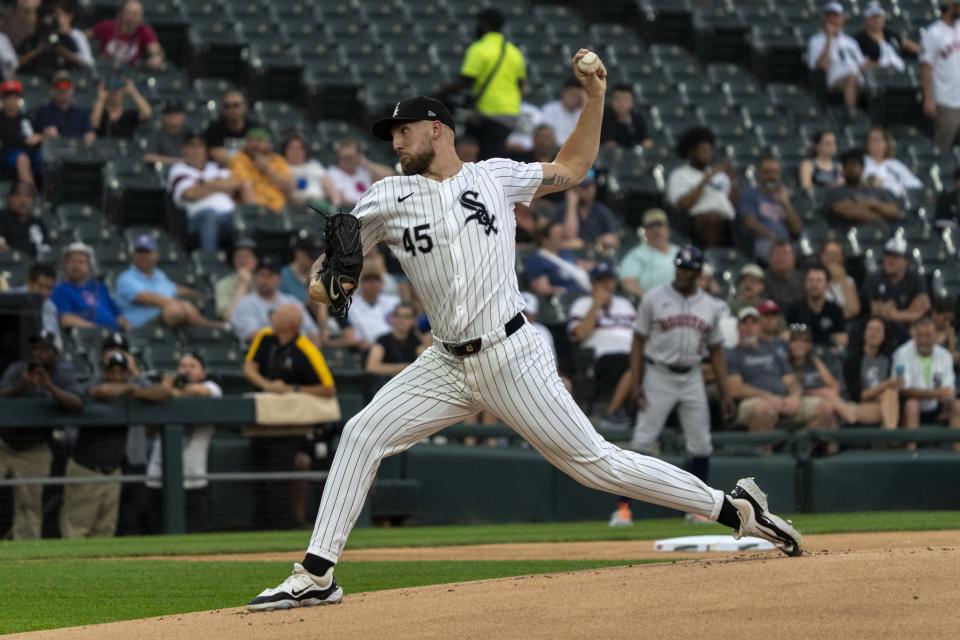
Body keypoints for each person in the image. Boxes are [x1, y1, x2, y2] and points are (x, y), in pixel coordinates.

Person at [248, 55, 803, 612]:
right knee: (362, 434)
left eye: (404, 129)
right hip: (443, 363)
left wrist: (594, 97)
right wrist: (324, 285)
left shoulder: (496, 176)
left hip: (510, 353)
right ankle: (317, 574)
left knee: (596, 464)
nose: (396, 140)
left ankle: (734, 510)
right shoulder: (385, 197)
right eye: (392, 132)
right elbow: (327, 276)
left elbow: (575, 166)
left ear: (437, 128)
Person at [611, 246, 733, 527]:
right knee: (642, 442)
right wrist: (637, 382)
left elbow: (716, 350)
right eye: (680, 266)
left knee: (701, 444)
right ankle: (623, 509)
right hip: (658, 374)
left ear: (699, 272)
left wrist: (726, 392)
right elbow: (638, 342)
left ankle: (698, 510)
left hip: (692, 375)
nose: (682, 272)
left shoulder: (710, 305)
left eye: (688, 269)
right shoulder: (654, 298)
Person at [243, 303, 335, 530]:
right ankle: (261, 523)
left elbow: (328, 388)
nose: (271, 317)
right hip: (265, 422)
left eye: (276, 315)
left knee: (289, 468)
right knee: (261, 472)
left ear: (290, 324)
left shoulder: (306, 348)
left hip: (296, 426)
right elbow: (248, 367)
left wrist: (292, 390)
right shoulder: (265, 336)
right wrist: (267, 385)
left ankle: (290, 521)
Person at [61, 351, 167, 538]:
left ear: (127, 373)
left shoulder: (130, 385)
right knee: (76, 531)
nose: (116, 376)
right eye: (112, 371)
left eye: (121, 372)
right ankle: (72, 568)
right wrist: (131, 389)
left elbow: (162, 392)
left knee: (105, 532)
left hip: (113, 472)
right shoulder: (94, 383)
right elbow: (101, 391)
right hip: (86, 469)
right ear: (104, 371)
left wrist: (134, 388)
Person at [0, 329, 82, 539]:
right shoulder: (19, 369)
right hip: (5, 443)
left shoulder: (61, 376)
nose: (38, 353)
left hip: (35, 448)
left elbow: (76, 403)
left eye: (44, 349)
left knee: (29, 505)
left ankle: (24, 557)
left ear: (56, 353)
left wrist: (49, 386)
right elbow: (2, 394)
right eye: (36, 348)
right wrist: (23, 385)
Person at [726, 307, 834, 440]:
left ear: (759, 326)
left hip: (783, 399)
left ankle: (797, 450)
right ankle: (765, 459)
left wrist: (795, 397)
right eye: (745, 323)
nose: (750, 327)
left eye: (754, 323)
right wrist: (766, 396)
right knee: (762, 410)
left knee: (825, 407)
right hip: (754, 401)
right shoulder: (733, 354)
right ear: (738, 327)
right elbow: (735, 388)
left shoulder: (773, 350)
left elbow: (790, 379)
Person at [434, 8, 526, 159]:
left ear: (485, 24)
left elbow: (466, 81)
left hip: (488, 113)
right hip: (511, 114)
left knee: (464, 141)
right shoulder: (514, 52)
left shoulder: (479, 48)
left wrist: (439, 94)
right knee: (493, 152)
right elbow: (521, 85)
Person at [147, 352, 222, 533]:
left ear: (202, 372)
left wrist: (168, 390)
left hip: (194, 480)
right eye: (183, 366)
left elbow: (198, 391)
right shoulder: (160, 392)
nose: (186, 370)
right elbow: (148, 430)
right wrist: (164, 390)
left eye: (192, 366)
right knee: (156, 531)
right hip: (158, 477)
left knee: (196, 532)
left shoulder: (211, 387)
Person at [568, 262, 637, 425]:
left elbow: (639, 334)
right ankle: (613, 412)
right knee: (632, 363)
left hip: (629, 354)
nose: (606, 284)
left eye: (610, 279)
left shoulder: (625, 304)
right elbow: (579, 335)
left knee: (640, 362)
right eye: (601, 280)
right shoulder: (582, 304)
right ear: (592, 284)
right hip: (600, 359)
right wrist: (596, 304)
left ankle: (616, 412)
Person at [115, 234, 217, 329]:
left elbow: (176, 289)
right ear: (133, 255)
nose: (143, 256)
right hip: (140, 325)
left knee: (179, 309)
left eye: (147, 252)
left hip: (164, 319)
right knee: (175, 310)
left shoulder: (158, 275)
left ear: (157, 255)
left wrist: (201, 296)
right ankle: (209, 326)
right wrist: (184, 305)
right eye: (139, 252)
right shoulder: (126, 278)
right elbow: (148, 298)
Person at [168, 131, 241, 253]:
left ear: (206, 150)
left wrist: (204, 184)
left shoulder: (216, 167)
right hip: (196, 219)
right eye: (191, 145)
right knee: (210, 215)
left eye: (200, 146)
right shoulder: (178, 170)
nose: (196, 150)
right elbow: (189, 194)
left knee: (243, 216)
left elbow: (235, 184)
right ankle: (209, 260)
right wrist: (220, 185)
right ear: (183, 149)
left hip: (229, 214)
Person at [666, 126, 737, 248]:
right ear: (691, 152)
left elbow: (735, 202)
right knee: (713, 219)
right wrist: (705, 180)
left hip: (727, 217)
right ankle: (712, 257)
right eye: (703, 151)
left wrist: (733, 180)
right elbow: (682, 205)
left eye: (709, 151)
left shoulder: (719, 175)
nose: (708, 155)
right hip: (696, 220)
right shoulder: (679, 174)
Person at [894, 316, 960, 440]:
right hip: (908, 409)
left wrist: (941, 395)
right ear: (914, 335)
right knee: (912, 404)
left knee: (957, 405)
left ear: (936, 337)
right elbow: (903, 390)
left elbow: (948, 390)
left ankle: (957, 454)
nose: (924, 339)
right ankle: (911, 454)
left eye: (928, 335)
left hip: (937, 407)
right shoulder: (901, 354)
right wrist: (936, 393)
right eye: (920, 335)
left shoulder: (945, 355)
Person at [860, 236, 931, 346]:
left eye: (896, 256)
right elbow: (878, 313)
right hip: (879, 332)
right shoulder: (874, 278)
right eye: (887, 255)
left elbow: (920, 313)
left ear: (906, 261)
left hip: (906, 332)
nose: (890, 259)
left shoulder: (915, 279)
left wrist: (895, 314)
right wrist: (909, 313)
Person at [230, 257, 319, 343]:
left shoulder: (292, 302)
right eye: (262, 274)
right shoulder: (245, 304)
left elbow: (313, 333)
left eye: (270, 275)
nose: (265, 279)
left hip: (293, 354)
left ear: (279, 278)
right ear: (255, 277)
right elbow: (253, 336)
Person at [806, 2, 869, 117]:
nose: (833, 19)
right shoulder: (816, 40)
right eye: (829, 16)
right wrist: (829, 38)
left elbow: (862, 64)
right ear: (824, 18)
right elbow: (822, 66)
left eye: (836, 15)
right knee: (851, 78)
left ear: (843, 18)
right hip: (835, 80)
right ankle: (850, 111)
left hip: (858, 77)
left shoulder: (850, 41)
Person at [50, 242, 130, 331]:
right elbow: (66, 319)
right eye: (72, 261)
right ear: (65, 265)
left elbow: (118, 315)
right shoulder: (60, 290)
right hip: (90, 339)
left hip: (116, 335)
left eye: (81, 262)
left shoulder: (100, 288)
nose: (76, 266)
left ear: (90, 266)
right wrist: (98, 331)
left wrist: (129, 329)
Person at [786, 324, 854, 427]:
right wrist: (820, 393)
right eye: (795, 341)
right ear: (789, 344)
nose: (800, 344)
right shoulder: (785, 364)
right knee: (828, 399)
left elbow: (833, 385)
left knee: (829, 403)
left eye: (804, 341)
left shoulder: (814, 362)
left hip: (825, 399)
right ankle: (853, 421)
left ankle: (836, 440)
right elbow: (791, 390)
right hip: (801, 400)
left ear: (809, 345)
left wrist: (815, 359)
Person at [822, 148, 902, 233]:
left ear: (863, 168)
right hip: (848, 236)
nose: (851, 168)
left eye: (855, 164)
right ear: (843, 170)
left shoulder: (880, 191)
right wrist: (877, 218)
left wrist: (871, 203)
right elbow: (848, 211)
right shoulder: (835, 192)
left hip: (882, 237)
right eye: (847, 165)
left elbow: (895, 212)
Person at [738, 156, 802, 261]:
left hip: (786, 243)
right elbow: (749, 222)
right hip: (763, 241)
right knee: (782, 256)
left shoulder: (784, 196)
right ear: (759, 173)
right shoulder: (750, 194)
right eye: (766, 172)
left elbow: (797, 229)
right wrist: (772, 236)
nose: (771, 176)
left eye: (775, 172)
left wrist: (786, 203)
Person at [843, 316, 900, 429]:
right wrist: (885, 385)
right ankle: (891, 438)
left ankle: (888, 435)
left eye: (878, 330)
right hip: (857, 406)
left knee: (890, 395)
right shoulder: (853, 359)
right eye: (870, 329)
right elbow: (858, 396)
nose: (874, 333)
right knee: (889, 401)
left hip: (883, 403)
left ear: (884, 335)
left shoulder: (889, 359)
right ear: (864, 333)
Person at [921, 1, 960, 153]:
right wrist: (929, 99)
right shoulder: (933, 33)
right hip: (945, 100)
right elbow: (926, 67)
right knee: (942, 147)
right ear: (950, 7)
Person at [16, 0, 93, 76]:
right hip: (36, 78)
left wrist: (61, 50)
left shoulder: (67, 38)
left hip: (63, 79)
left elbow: (85, 62)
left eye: (60, 15)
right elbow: (15, 63)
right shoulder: (32, 40)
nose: (59, 19)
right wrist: (38, 50)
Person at [365, 302, 424, 397]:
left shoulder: (416, 341)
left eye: (407, 316)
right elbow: (371, 367)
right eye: (398, 316)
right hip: (385, 388)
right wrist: (405, 367)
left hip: (409, 389)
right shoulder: (382, 340)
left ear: (413, 320)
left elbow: (423, 365)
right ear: (393, 318)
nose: (402, 320)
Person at [618, 209, 679, 297]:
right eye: (651, 226)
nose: (656, 229)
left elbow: (700, 278)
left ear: (668, 229)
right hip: (651, 304)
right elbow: (628, 283)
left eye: (659, 224)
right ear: (645, 231)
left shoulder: (680, 252)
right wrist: (650, 300)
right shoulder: (636, 255)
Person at [231, 128, 294, 213]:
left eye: (259, 141)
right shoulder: (239, 159)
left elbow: (289, 187)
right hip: (254, 211)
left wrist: (268, 169)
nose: (254, 144)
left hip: (280, 210)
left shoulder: (278, 160)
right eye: (250, 141)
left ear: (269, 143)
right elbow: (244, 186)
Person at [88, 0, 164, 69]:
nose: (131, 18)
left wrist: (156, 58)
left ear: (141, 17)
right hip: (103, 68)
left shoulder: (144, 31)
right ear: (121, 13)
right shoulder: (107, 26)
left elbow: (156, 51)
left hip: (129, 71)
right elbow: (82, 36)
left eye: (136, 14)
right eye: (128, 13)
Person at [785, 264, 848, 348]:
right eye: (810, 280)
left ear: (828, 285)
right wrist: (830, 338)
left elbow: (843, 338)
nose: (814, 285)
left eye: (818, 281)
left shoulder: (835, 310)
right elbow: (787, 336)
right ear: (805, 284)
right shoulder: (793, 309)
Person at [557, 169, 620, 252]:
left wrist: (608, 239)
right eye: (584, 187)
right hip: (569, 258)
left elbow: (615, 240)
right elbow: (569, 235)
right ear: (574, 188)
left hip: (595, 257)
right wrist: (571, 205)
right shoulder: (563, 209)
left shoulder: (601, 211)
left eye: (591, 185)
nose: (589, 190)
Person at [524, 220, 591, 296]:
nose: (562, 237)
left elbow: (582, 266)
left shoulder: (565, 252)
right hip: (568, 300)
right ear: (544, 239)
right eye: (557, 235)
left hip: (587, 292)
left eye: (562, 234)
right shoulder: (536, 259)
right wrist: (564, 292)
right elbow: (542, 289)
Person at [325, 138, 394, 208]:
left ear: (358, 156)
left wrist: (365, 162)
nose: (344, 161)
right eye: (342, 157)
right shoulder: (333, 173)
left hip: (373, 208)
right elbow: (339, 200)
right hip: (353, 210)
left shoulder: (364, 170)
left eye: (349, 158)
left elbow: (390, 176)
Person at [31, 70, 95, 145]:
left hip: (77, 154)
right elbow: (33, 138)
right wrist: (43, 136)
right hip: (51, 155)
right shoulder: (43, 112)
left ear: (72, 89)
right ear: (52, 89)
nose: (62, 88)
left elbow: (90, 134)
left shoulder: (82, 113)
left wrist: (90, 136)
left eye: (66, 84)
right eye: (58, 85)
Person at [853, 2, 918, 72]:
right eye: (873, 18)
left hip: (900, 72)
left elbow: (911, 46)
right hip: (877, 74)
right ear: (866, 19)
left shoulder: (890, 35)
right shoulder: (859, 39)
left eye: (879, 17)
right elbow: (859, 64)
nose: (876, 20)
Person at [0, 79, 41, 185]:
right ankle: (31, 196)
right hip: (9, 154)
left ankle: (51, 198)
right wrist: (25, 140)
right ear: (2, 99)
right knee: (22, 158)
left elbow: (40, 135)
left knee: (48, 159)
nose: (12, 99)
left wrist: (39, 137)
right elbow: (7, 141)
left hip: (32, 151)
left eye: (15, 96)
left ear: (19, 98)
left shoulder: (28, 116)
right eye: (8, 96)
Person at [347, 269, 401, 348]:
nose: (372, 284)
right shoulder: (349, 304)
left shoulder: (394, 302)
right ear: (360, 284)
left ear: (382, 284)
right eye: (368, 280)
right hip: (367, 347)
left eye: (376, 280)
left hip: (395, 344)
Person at [862, 127, 922, 197]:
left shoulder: (895, 164)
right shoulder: (861, 161)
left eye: (879, 140)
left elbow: (915, 184)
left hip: (897, 200)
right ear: (867, 144)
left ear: (886, 144)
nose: (876, 143)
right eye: (872, 140)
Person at [283, 133, 339, 208]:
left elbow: (330, 187)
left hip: (321, 205)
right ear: (285, 150)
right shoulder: (281, 167)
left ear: (305, 151)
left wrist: (336, 204)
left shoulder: (314, 165)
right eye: (292, 148)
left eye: (300, 148)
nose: (296, 152)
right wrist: (308, 199)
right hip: (296, 208)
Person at [205, 90, 259, 165]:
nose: (231, 110)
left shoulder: (255, 129)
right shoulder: (214, 128)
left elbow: (260, 156)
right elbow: (216, 155)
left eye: (236, 105)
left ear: (245, 107)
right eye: (227, 106)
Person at [0, 181, 47, 258]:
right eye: (18, 195)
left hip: (36, 266)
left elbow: (47, 249)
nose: (23, 200)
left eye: (28, 195)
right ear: (10, 198)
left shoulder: (38, 221)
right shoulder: (2, 217)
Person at [215, 237, 257, 320]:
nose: (243, 260)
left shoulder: (265, 280)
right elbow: (228, 316)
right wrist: (242, 285)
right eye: (239, 256)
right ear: (233, 261)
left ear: (256, 261)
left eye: (247, 256)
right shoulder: (223, 284)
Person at [600, 83, 653, 150]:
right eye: (618, 99)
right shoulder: (603, 118)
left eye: (625, 100)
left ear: (632, 102)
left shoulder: (638, 118)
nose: (621, 104)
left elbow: (645, 139)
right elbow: (608, 143)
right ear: (611, 101)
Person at [818, 239, 861, 319]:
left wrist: (842, 280)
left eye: (837, 254)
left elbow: (854, 310)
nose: (833, 258)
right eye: (830, 254)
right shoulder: (814, 278)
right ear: (822, 257)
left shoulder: (849, 280)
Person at [540, 78, 586, 145]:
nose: (574, 99)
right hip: (554, 150)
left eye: (577, 96)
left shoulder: (582, 114)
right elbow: (545, 136)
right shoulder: (550, 109)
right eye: (572, 95)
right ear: (564, 92)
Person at [143, 100, 186, 166]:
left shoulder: (189, 134)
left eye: (176, 113)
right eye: (169, 113)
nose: (172, 116)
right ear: (163, 116)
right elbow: (148, 157)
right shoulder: (157, 134)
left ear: (183, 116)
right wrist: (177, 161)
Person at [764, 240, 804, 311]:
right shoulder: (762, 280)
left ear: (794, 258)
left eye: (785, 254)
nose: (781, 258)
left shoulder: (804, 279)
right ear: (770, 258)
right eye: (777, 254)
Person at [281, 236, 320, 306]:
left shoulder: (317, 275)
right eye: (311, 257)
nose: (314, 261)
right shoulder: (283, 276)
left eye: (316, 257)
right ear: (298, 253)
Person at [931, 296, 959, 367]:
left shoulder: (949, 330)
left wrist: (950, 340)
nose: (947, 323)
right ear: (934, 314)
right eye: (945, 319)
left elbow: (952, 355)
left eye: (950, 320)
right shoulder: (923, 328)